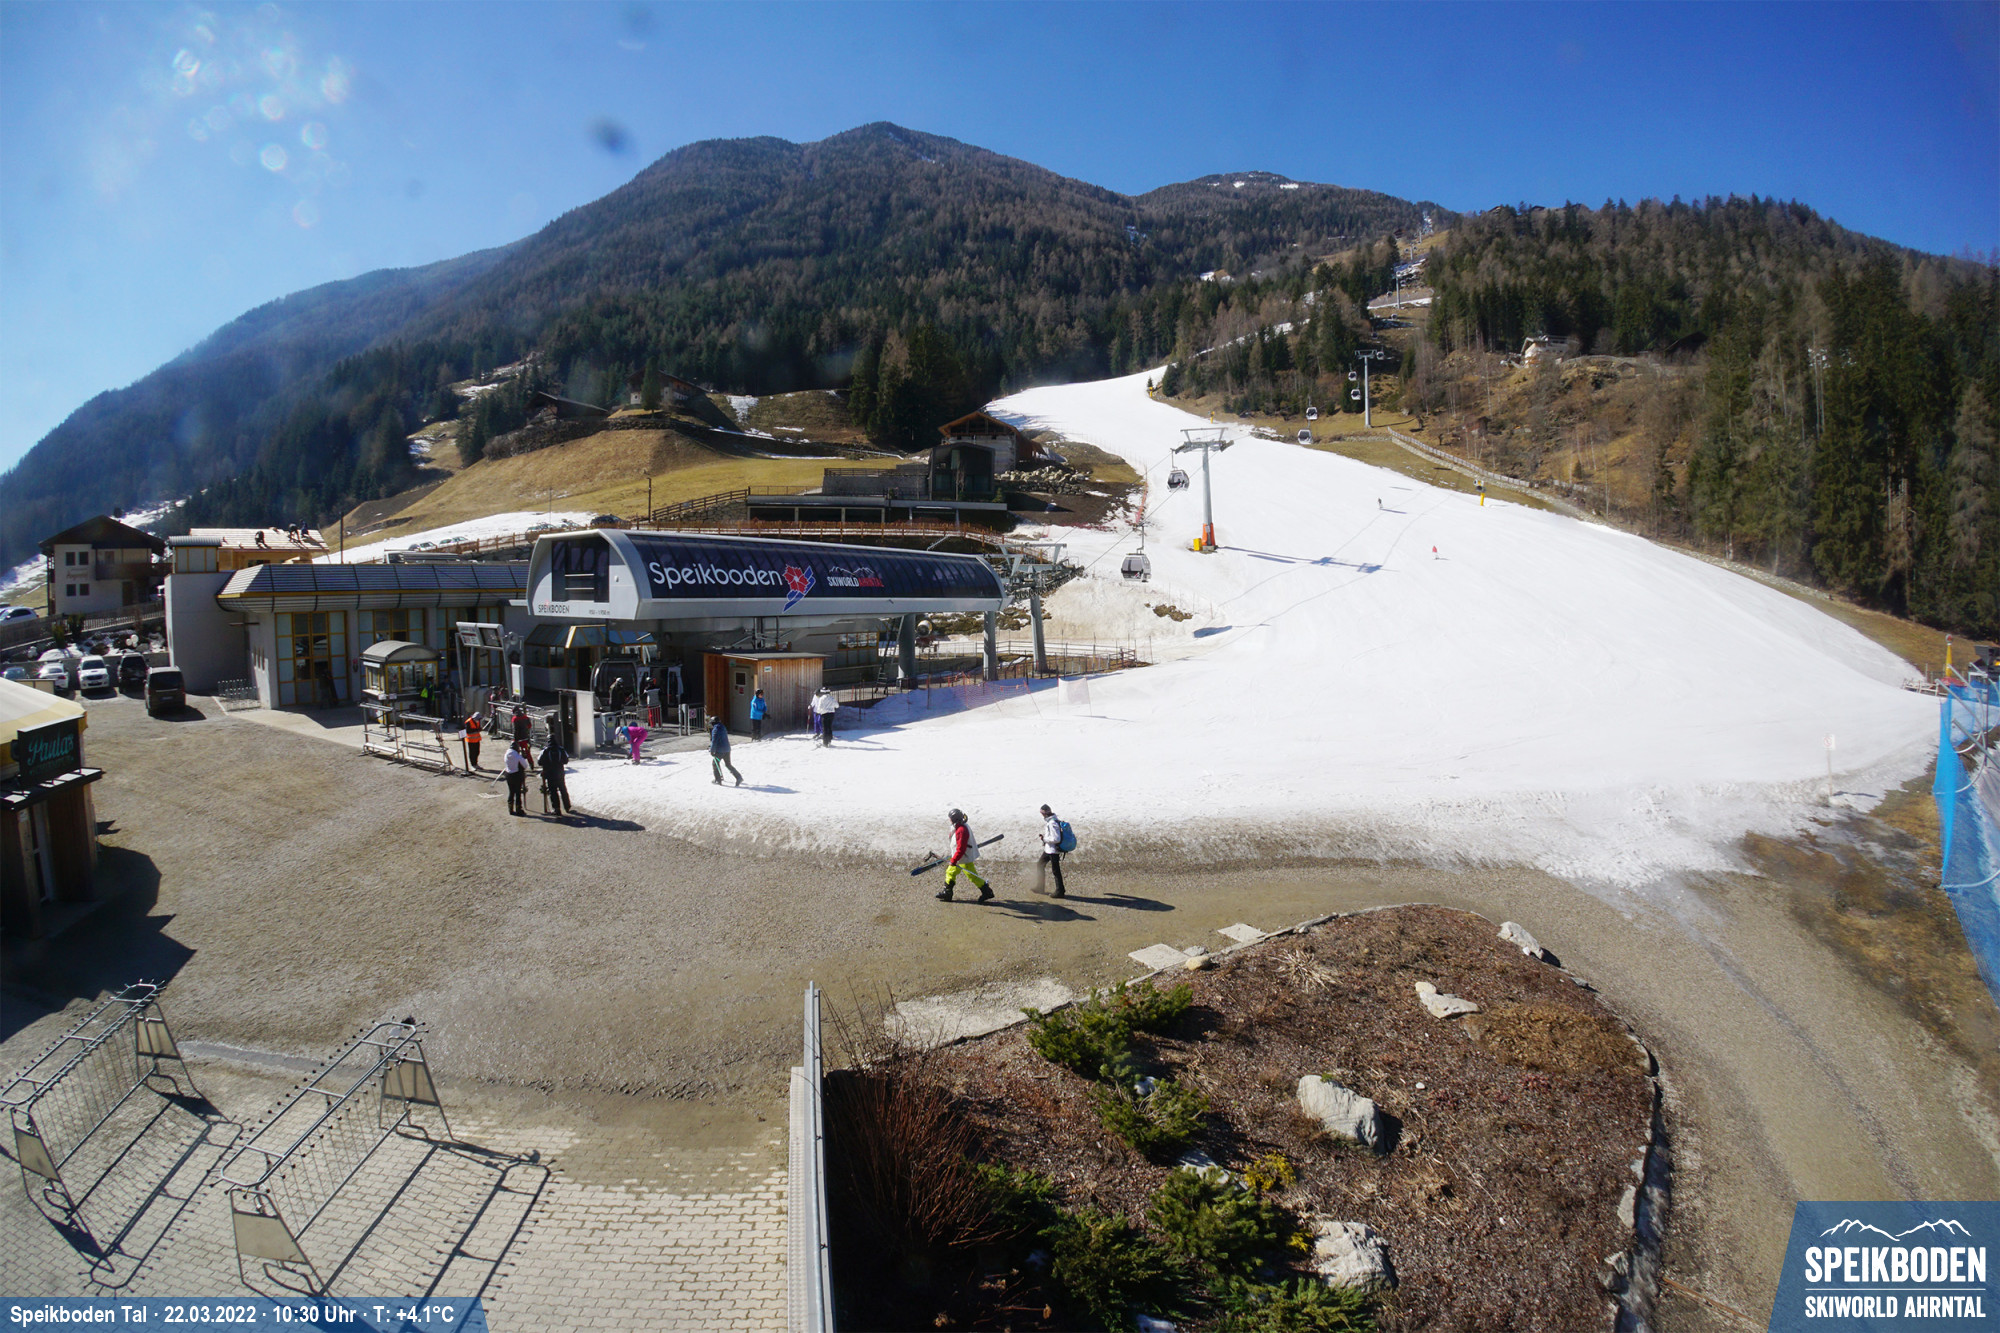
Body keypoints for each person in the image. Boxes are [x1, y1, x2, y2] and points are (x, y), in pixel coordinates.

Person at [937, 808, 991, 903]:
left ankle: (987, 892)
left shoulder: (961, 830)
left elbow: (961, 848)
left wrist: (954, 860)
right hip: (962, 856)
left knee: (971, 875)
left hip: (964, 857)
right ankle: (947, 892)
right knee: (951, 872)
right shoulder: (960, 826)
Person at [1036, 804, 1069, 898]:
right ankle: (1040, 887)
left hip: (1053, 850)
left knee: (1056, 871)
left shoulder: (1052, 823)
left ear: (1045, 813)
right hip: (1049, 849)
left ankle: (1060, 891)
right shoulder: (1052, 821)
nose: (1041, 815)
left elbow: (1056, 839)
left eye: (1042, 813)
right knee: (1040, 865)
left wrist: (1044, 839)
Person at [539, 732, 573, 817]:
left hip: (550, 774)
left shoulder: (545, 751)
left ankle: (557, 809)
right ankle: (567, 806)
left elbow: (539, 762)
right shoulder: (561, 749)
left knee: (553, 791)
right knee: (563, 789)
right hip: (560, 773)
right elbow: (566, 761)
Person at [709, 715, 743, 786]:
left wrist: (712, 750)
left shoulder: (716, 729)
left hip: (720, 751)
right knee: (728, 764)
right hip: (727, 749)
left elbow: (714, 741)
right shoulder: (723, 727)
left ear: (713, 723)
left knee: (715, 763)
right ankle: (738, 777)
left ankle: (718, 779)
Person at [503, 740, 530, 816]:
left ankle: (510, 809)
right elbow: (525, 766)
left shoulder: (506, 754)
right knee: (518, 792)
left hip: (508, 774)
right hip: (517, 775)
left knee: (511, 792)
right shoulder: (517, 756)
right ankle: (518, 809)